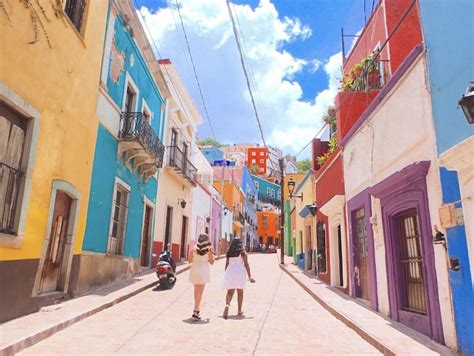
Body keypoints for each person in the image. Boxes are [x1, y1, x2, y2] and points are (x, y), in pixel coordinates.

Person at [220, 237, 255, 319]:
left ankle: (227, 305)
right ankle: (239, 310)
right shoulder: (243, 253)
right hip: (240, 273)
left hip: (230, 272)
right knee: (240, 292)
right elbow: (246, 264)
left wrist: (226, 274)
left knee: (230, 292)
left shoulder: (229, 253)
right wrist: (250, 276)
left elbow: (226, 264)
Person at [188, 234, 214, 320]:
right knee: (200, 292)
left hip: (194, 269)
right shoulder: (208, 250)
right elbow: (211, 262)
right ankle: (196, 311)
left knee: (196, 291)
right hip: (203, 270)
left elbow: (189, 260)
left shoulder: (194, 248)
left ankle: (196, 309)